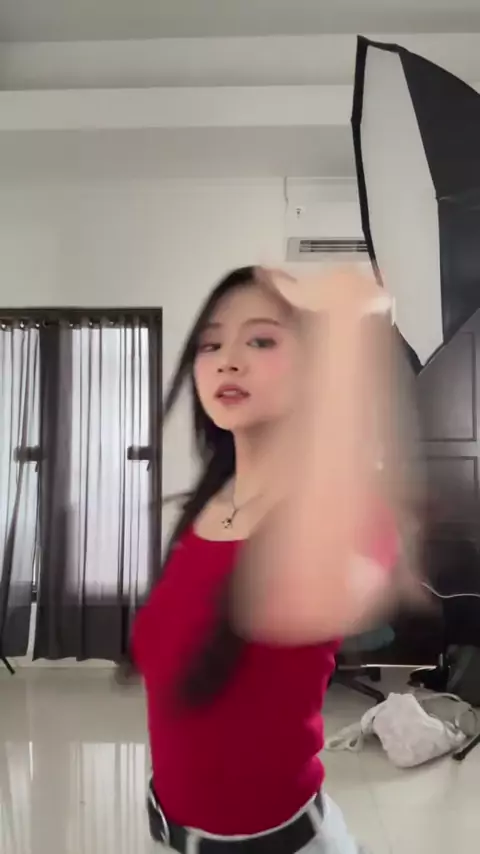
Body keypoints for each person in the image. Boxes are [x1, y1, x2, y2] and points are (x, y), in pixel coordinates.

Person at [131, 265, 408, 853]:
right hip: (170, 835)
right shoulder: (201, 512)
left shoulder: (350, 512)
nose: (228, 361)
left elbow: (296, 603)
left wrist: (347, 335)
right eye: (211, 344)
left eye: (261, 340)